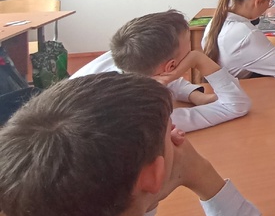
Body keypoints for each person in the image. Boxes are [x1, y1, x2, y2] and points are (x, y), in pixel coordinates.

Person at [0, 73, 274, 216]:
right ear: (152, 175)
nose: (177, 135)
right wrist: (200, 173)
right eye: (170, 132)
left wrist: (148, 190)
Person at [72, 10, 251, 133]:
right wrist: (198, 58)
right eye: (189, 45)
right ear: (170, 66)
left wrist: (195, 96)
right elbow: (236, 105)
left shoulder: (123, 56)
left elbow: (162, 76)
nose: (191, 50)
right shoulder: (146, 114)